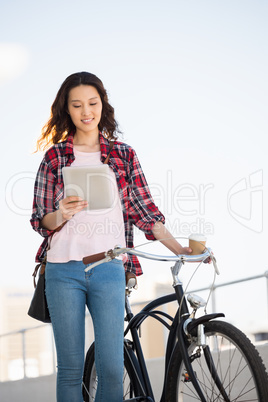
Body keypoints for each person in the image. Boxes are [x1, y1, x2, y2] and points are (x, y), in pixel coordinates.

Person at [30, 71, 192, 402]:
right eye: (77, 105)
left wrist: (179, 248)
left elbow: (145, 212)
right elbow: (40, 220)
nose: (86, 111)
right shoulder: (54, 157)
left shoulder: (123, 154)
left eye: (92, 103)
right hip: (63, 271)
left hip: (109, 268)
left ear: (103, 104)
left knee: (112, 369)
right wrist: (62, 213)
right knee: (72, 370)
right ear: (67, 110)